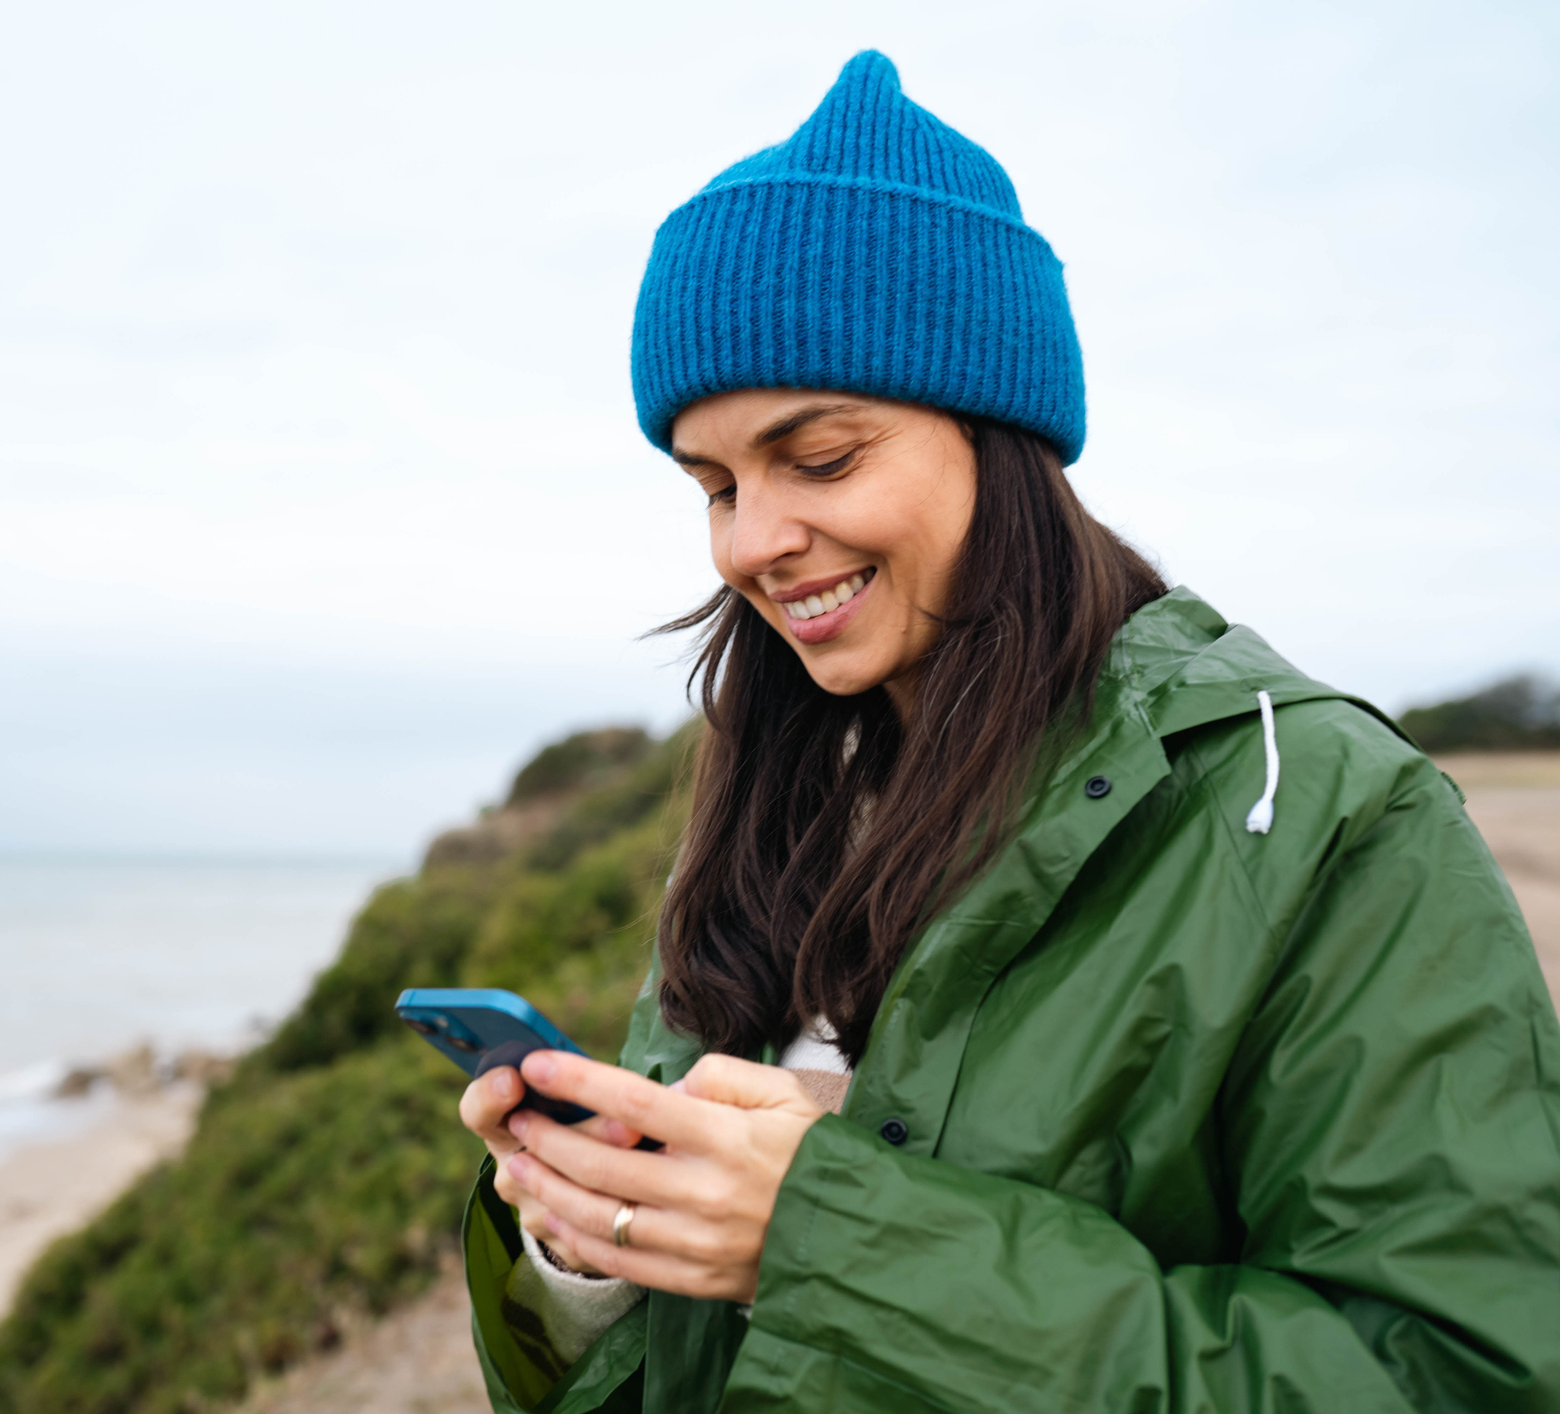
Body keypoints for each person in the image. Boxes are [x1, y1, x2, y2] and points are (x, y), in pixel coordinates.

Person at [454, 50, 1560, 1414]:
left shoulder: (1326, 814)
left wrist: (829, 1236)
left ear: (1002, 436)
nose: (752, 539)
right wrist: (591, 1244)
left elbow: (1457, 1376)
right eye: (714, 482)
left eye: (820, 457)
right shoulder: (774, 806)